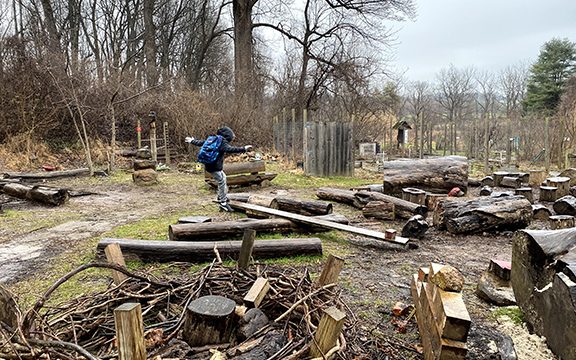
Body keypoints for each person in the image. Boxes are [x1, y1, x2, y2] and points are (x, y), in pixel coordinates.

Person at [185, 126, 253, 212]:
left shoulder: (213, 139)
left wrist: (192, 141)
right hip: (214, 167)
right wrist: (243, 148)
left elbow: (201, 142)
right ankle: (223, 203)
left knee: (223, 178)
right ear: (228, 135)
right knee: (221, 181)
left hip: (210, 165)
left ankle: (221, 197)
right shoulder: (222, 142)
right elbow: (230, 149)